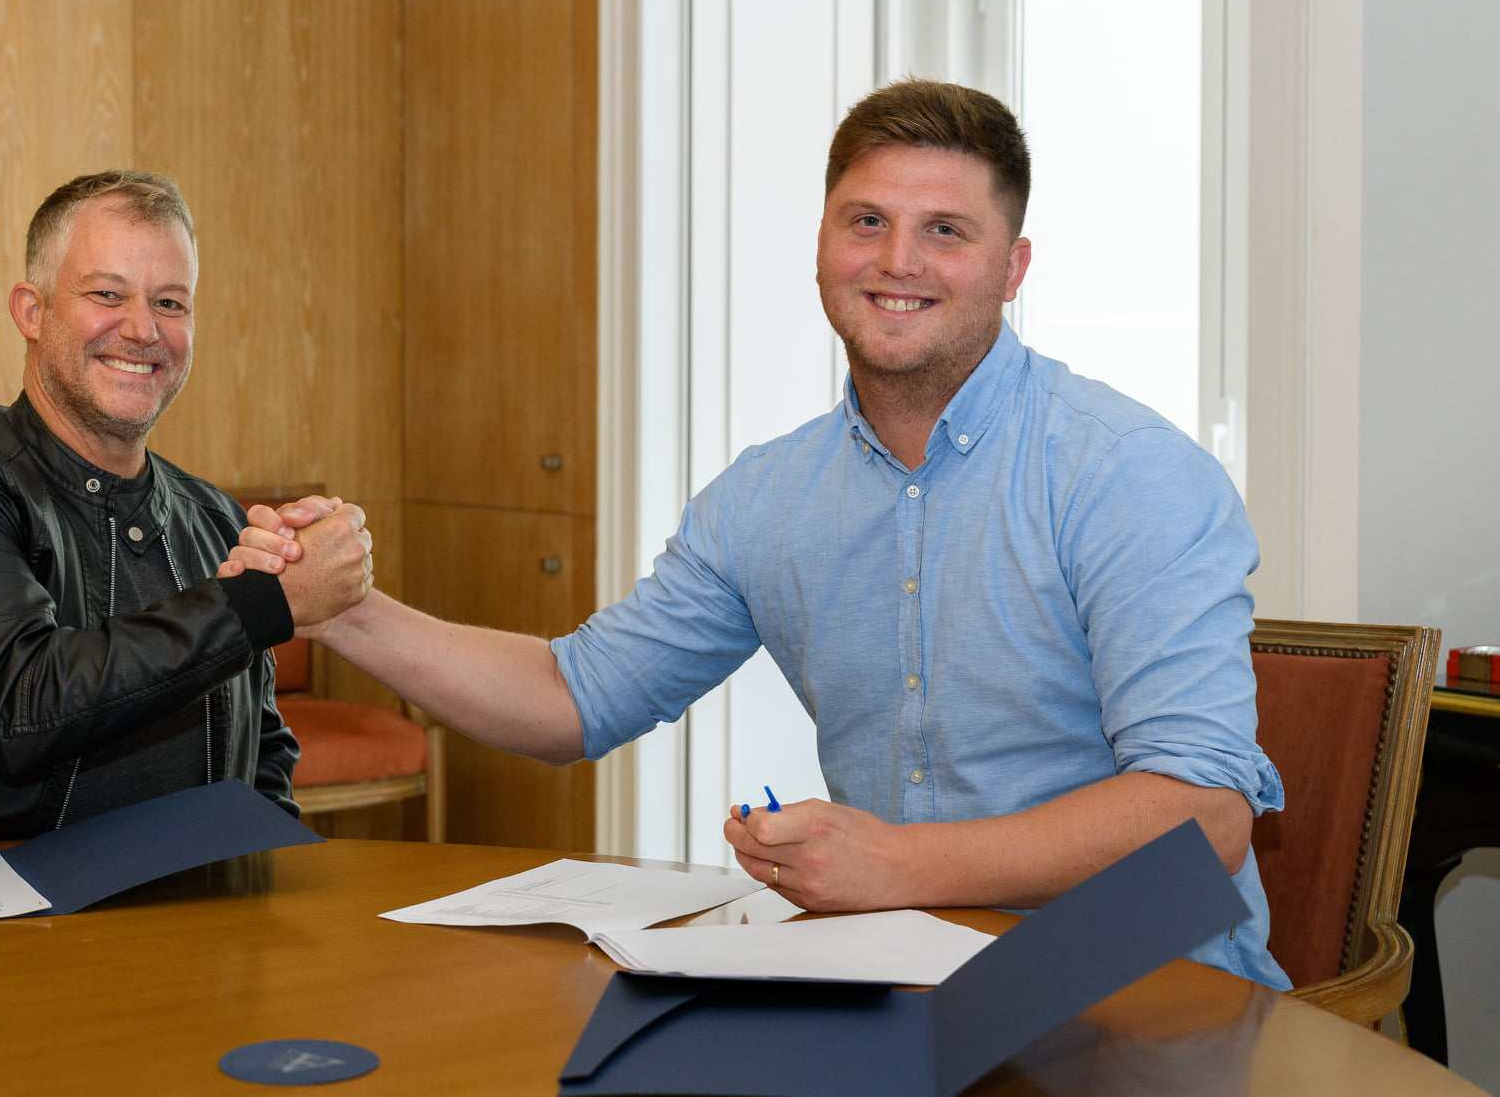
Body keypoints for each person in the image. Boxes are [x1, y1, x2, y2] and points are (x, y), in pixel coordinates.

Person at [229, 79, 1290, 987]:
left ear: (1012, 269)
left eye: (945, 231)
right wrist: (341, 609)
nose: (897, 260)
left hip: (1150, 994)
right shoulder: (765, 499)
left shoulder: (1128, 473)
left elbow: (1204, 815)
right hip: (900, 977)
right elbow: (571, 698)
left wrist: (896, 864)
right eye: (865, 221)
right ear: (822, 242)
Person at [0, 171, 372, 844]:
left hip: (194, 898)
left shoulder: (214, 516)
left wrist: (263, 883)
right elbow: (23, 706)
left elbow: (260, 755)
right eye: (107, 294)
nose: (143, 329)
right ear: (31, 312)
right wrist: (262, 603)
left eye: (170, 303)